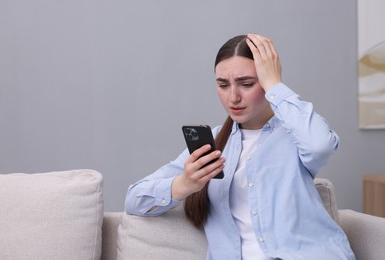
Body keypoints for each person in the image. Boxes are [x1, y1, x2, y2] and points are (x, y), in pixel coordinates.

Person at [125, 34, 355, 260]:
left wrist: (275, 84)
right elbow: (134, 199)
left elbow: (321, 146)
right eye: (223, 85)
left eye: (246, 84)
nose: (233, 97)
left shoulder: (295, 133)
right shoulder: (214, 142)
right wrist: (184, 184)